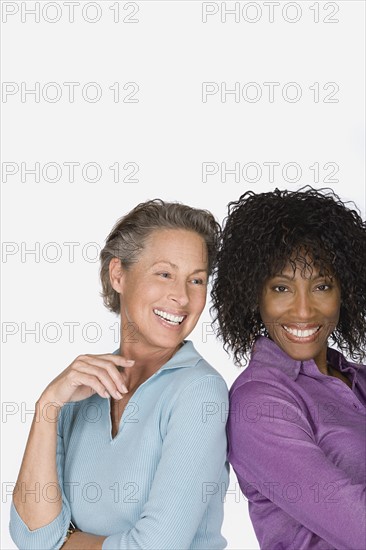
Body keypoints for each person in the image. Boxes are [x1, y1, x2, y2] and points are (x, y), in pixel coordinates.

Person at [10, 199, 229, 550]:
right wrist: (48, 406)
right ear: (118, 275)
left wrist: (63, 542)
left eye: (197, 280)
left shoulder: (199, 392)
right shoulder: (81, 388)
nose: (182, 297)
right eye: (165, 274)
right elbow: (30, 536)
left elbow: (155, 547)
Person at [211, 187, 366, 549]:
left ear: (346, 291)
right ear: (254, 296)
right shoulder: (259, 402)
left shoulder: (356, 377)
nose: (303, 310)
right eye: (281, 288)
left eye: (322, 285)